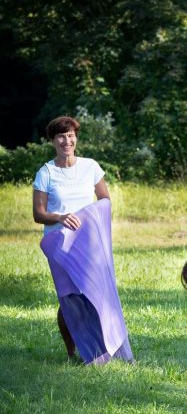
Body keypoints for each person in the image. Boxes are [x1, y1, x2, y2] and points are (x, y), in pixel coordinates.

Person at [32, 116, 133, 364]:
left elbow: (104, 200)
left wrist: (90, 219)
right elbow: (39, 214)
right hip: (60, 243)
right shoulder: (46, 173)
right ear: (53, 141)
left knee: (94, 291)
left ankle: (103, 348)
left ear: (76, 138)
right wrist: (61, 217)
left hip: (88, 240)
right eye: (61, 136)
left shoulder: (91, 167)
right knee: (69, 296)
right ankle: (72, 350)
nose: (67, 141)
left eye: (71, 135)